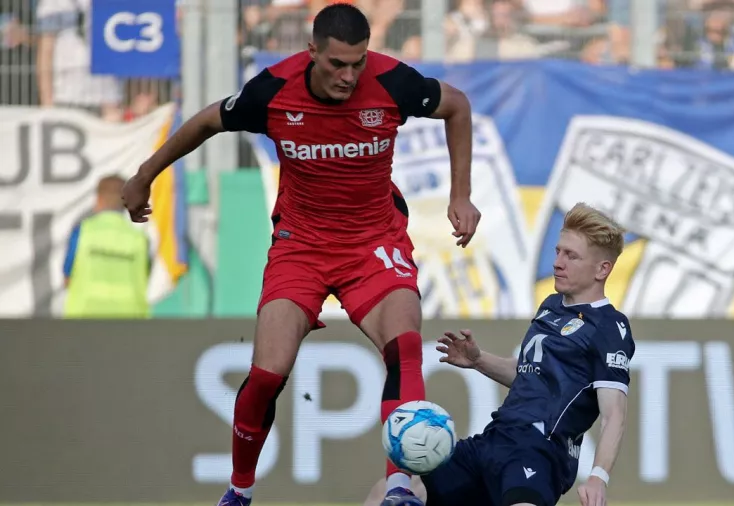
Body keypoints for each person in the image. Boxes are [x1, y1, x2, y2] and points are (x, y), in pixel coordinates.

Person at [120, 4, 480, 506]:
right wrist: (144, 176)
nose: (349, 76)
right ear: (312, 52)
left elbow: (457, 106)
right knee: (267, 374)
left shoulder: (393, 82)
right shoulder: (272, 90)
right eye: (337, 64)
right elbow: (205, 122)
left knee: (404, 344)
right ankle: (239, 491)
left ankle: (399, 486)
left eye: (357, 63)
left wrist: (459, 194)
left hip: (373, 242)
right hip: (301, 247)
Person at [366, 202, 635, 506]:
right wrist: (478, 359)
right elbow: (528, 375)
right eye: (558, 251)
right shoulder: (551, 305)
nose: (558, 262)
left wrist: (599, 476)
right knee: (389, 493)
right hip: (493, 440)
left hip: (539, 453)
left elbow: (614, 414)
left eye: (571, 256)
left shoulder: (610, 327)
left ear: (603, 269)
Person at [63, 174, 152, 319]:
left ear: (98, 199)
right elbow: (145, 276)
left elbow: (67, 278)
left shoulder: (82, 232)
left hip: (83, 320)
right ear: (126, 204)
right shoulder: (140, 239)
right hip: (131, 323)